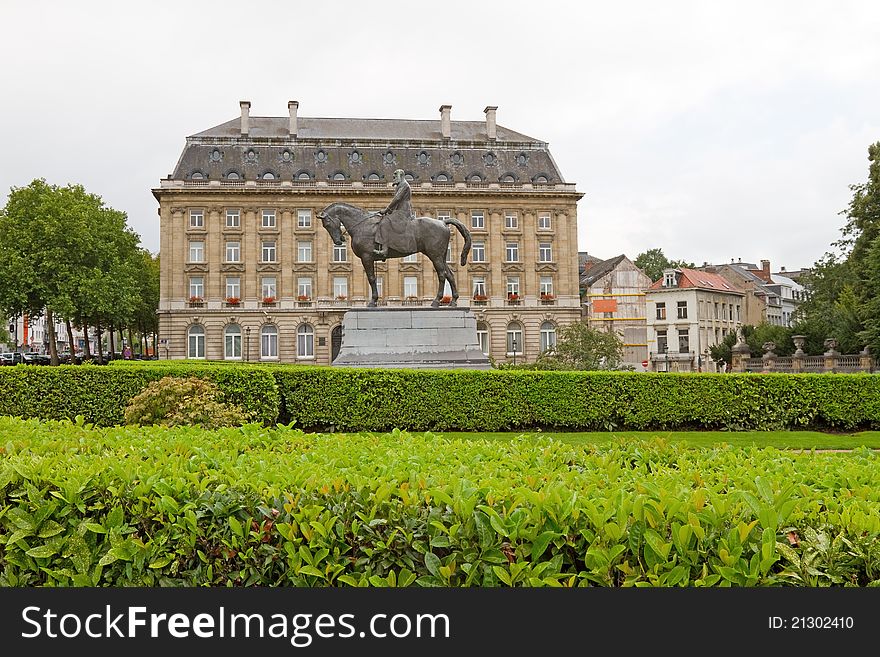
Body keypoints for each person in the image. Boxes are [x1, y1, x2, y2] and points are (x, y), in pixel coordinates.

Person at [373, 168, 415, 259]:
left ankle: (384, 250)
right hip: (399, 211)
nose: (394, 178)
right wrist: (389, 211)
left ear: (401, 175)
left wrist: (386, 210)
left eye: (395, 176)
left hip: (403, 212)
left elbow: (397, 199)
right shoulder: (400, 185)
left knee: (384, 223)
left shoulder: (404, 185)